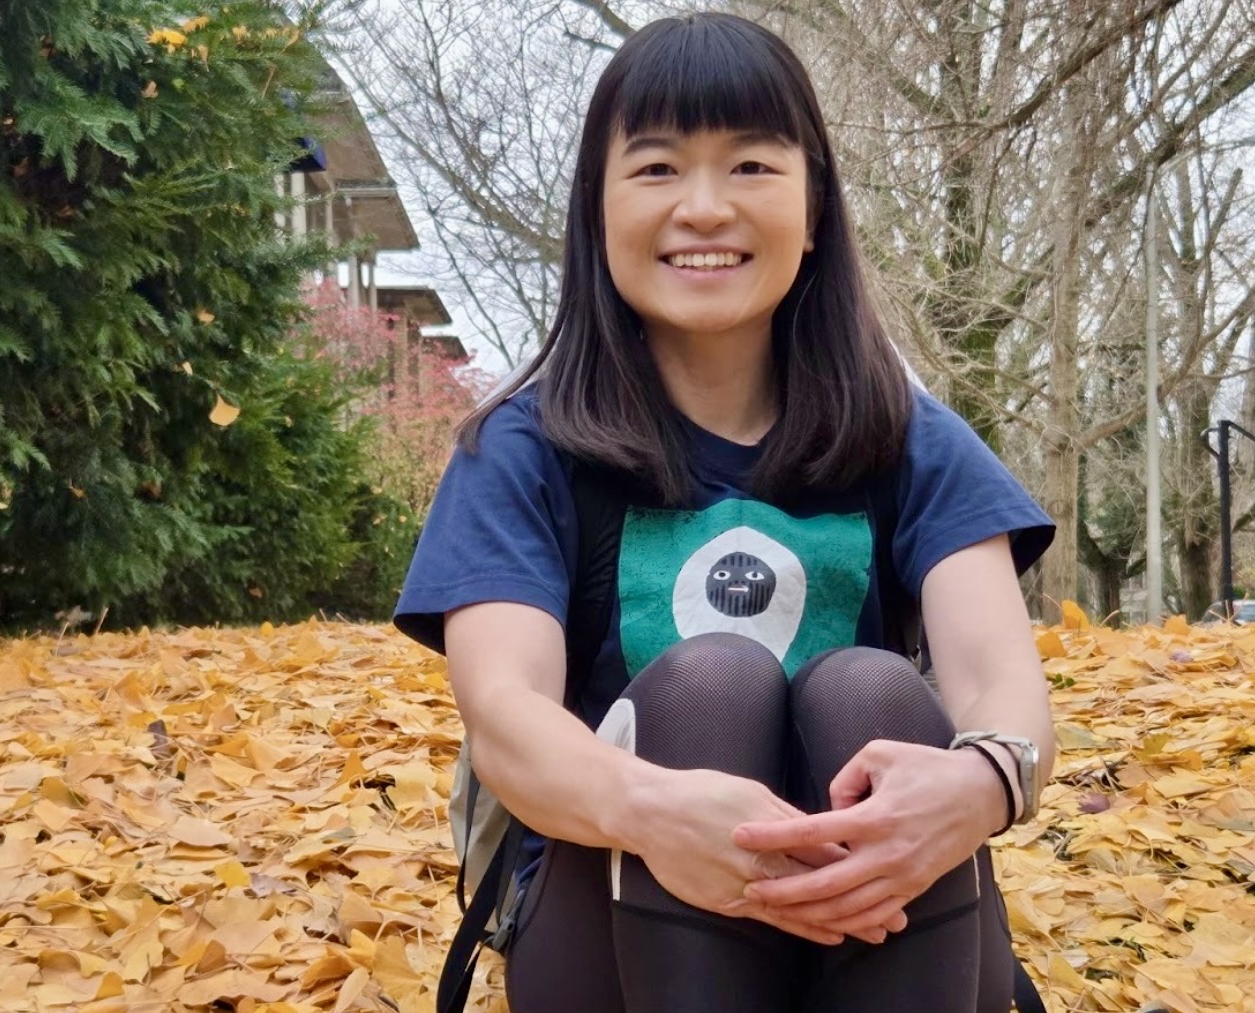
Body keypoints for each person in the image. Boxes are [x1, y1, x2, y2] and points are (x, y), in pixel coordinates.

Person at [392, 12, 1057, 1013]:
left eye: (750, 166)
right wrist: (655, 809)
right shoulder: (522, 448)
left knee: (870, 689)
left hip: (875, 919)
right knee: (716, 681)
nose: (703, 209)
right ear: (597, 208)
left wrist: (979, 784)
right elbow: (506, 716)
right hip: (613, 922)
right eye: (656, 168)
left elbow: (1001, 684)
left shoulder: (911, 437)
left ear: (813, 208)